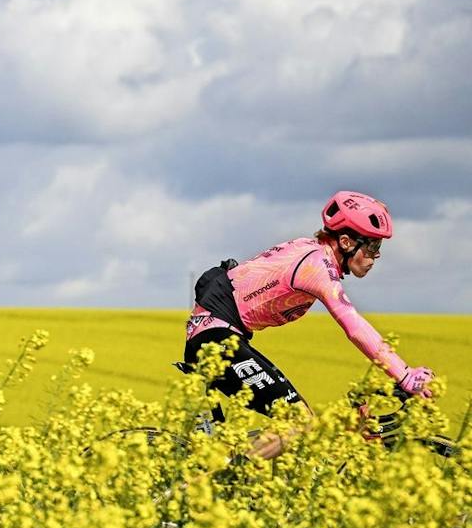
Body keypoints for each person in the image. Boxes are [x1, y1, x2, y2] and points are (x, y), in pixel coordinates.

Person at [182, 190, 435, 450]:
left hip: (213, 335)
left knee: (296, 428)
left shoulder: (310, 251)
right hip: (216, 338)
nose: (376, 256)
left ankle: (225, 479)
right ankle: (233, 474)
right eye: (372, 246)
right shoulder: (316, 265)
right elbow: (353, 325)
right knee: (297, 423)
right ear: (346, 242)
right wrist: (405, 376)